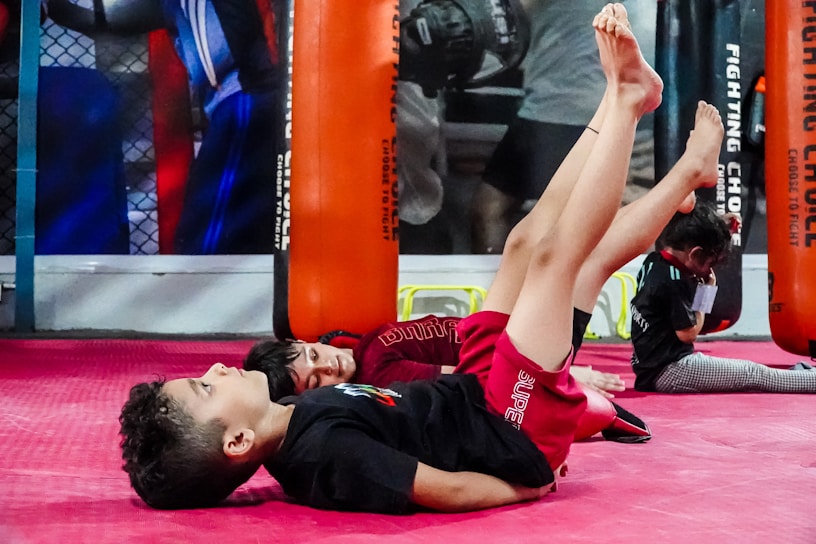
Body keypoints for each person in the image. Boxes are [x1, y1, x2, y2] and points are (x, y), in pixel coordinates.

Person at [118, 3, 664, 512]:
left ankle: (616, 99)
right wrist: (524, 487)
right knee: (552, 263)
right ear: (238, 441)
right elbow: (442, 489)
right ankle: (625, 105)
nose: (216, 368)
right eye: (206, 387)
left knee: (522, 243)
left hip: (476, 391)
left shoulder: (296, 415)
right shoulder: (321, 454)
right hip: (509, 430)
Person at [630, 200, 816, 393]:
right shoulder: (673, 280)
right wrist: (707, 289)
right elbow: (688, 334)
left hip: (651, 368)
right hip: (672, 372)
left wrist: (718, 225)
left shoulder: (654, 261)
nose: (709, 270)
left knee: (750, 372)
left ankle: (802, 376)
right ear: (695, 254)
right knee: (752, 373)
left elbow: (690, 227)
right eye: (710, 263)